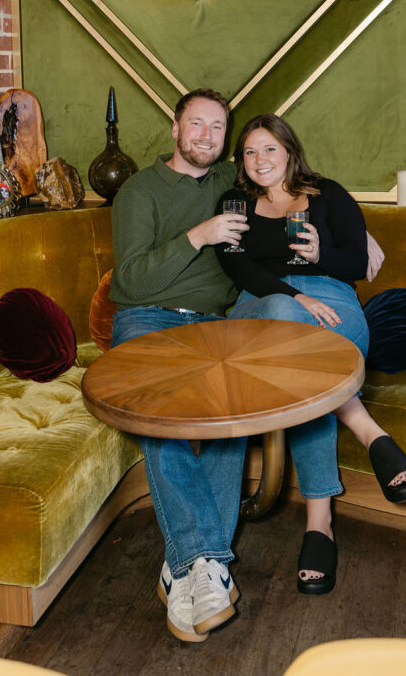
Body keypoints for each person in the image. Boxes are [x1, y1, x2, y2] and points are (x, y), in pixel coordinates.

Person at [217, 113, 406, 597]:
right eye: (250, 152)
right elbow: (236, 266)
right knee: (283, 321)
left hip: (333, 305)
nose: (260, 160)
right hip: (262, 305)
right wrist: (293, 295)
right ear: (241, 161)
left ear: (289, 150)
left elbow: (358, 262)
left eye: (269, 149)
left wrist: (318, 259)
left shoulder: (329, 194)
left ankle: (320, 525)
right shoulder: (233, 202)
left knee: (303, 364)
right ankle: (354, 458)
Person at [110, 89, 250, 644]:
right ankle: (208, 563)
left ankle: (184, 570)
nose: (206, 137)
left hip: (213, 324)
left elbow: (295, 186)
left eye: (217, 128)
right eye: (197, 125)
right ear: (175, 129)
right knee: (157, 416)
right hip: (147, 317)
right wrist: (200, 235)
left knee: (235, 417)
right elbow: (132, 280)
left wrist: (357, 235)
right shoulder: (140, 191)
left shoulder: (233, 185)